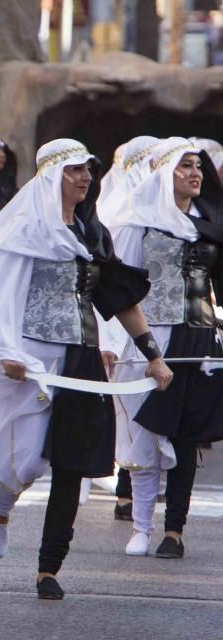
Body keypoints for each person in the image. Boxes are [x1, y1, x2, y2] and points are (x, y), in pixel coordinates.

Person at [0, 138, 172, 599]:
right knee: (24, 459)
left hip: (82, 356)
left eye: (89, 169)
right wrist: (3, 351)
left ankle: (49, 567)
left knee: (72, 462)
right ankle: (2, 504)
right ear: (52, 176)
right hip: (28, 356)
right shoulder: (24, 230)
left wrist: (152, 354)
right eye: (74, 171)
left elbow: (119, 298)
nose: (85, 178)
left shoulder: (94, 233)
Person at [104, 137, 223, 558]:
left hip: (199, 336)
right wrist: (114, 341)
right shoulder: (137, 221)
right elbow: (118, 290)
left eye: (198, 166)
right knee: (146, 436)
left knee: (188, 435)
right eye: (184, 166)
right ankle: (141, 525)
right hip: (150, 336)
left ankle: (174, 531)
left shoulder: (210, 220)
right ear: (162, 172)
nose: (195, 173)